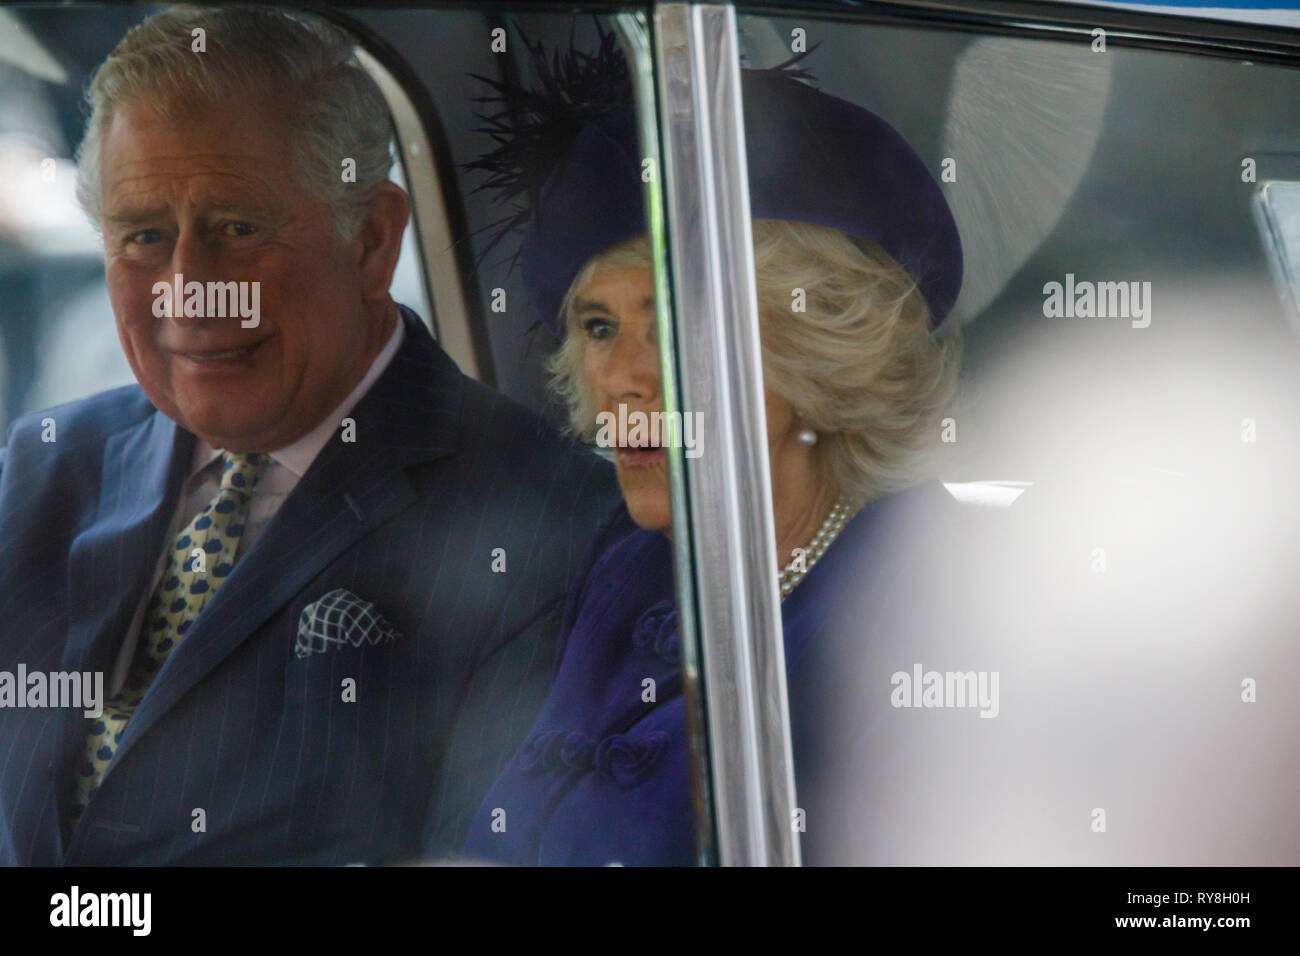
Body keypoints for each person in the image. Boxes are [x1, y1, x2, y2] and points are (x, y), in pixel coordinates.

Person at [0, 7, 619, 865]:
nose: (189, 290)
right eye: (144, 237)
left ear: (370, 240)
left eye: (239, 229)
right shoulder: (40, 472)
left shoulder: (555, 519)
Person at [458, 37, 973, 865]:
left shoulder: (931, 590)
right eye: (598, 327)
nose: (621, 377)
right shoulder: (628, 568)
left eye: (671, 323)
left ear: (817, 349)